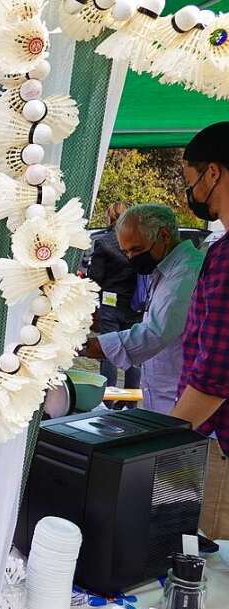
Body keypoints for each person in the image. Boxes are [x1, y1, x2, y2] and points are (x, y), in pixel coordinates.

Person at [80, 205, 203, 414]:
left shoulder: (186, 272)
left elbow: (154, 333)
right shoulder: (166, 267)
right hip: (164, 392)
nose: (130, 258)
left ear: (164, 235)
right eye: (125, 251)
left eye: (136, 249)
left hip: (178, 396)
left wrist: (88, 346)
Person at [170, 122, 229, 545]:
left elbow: (215, 376)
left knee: (209, 570)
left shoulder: (226, 256)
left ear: (213, 174)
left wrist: (161, 440)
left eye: (192, 183)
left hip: (221, 445)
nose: (191, 197)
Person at [86, 202, 142, 391]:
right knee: (134, 351)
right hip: (135, 304)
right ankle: (132, 401)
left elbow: (95, 277)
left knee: (109, 348)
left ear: (109, 218)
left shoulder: (104, 242)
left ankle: (107, 397)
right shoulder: (139, 242)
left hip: (110, 304)